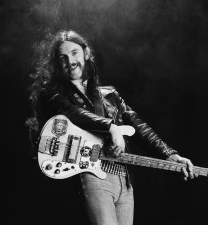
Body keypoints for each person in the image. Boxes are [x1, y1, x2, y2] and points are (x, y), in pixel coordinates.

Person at [26, 29, 195, 225]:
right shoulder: (54, 95)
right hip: (94, 176)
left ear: (86, 54)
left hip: (123, 180)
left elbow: (137, 125)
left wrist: (170, 154)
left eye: (74, 53)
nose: (70, 61)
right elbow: (73, 113)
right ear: (58, 64)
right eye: (63, 58)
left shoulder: (109, 95)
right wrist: (111, 127)